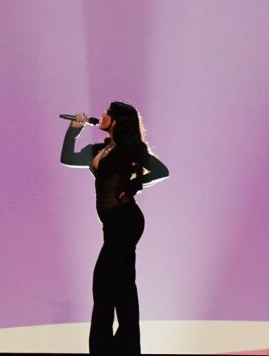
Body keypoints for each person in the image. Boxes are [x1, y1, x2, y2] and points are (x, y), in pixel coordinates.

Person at [60, 101, 169, 354]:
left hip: (126, 219)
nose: (102, 115)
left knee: (103, 282)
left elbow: (161, 170)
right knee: (124, 286)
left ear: (118, 119)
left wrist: (134, 185)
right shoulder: (100, 148)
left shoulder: (131, 147)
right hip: (111, 224)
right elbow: (67, 158)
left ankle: (102, 348)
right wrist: (74, 130)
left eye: (107, 113)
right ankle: (126, 348)